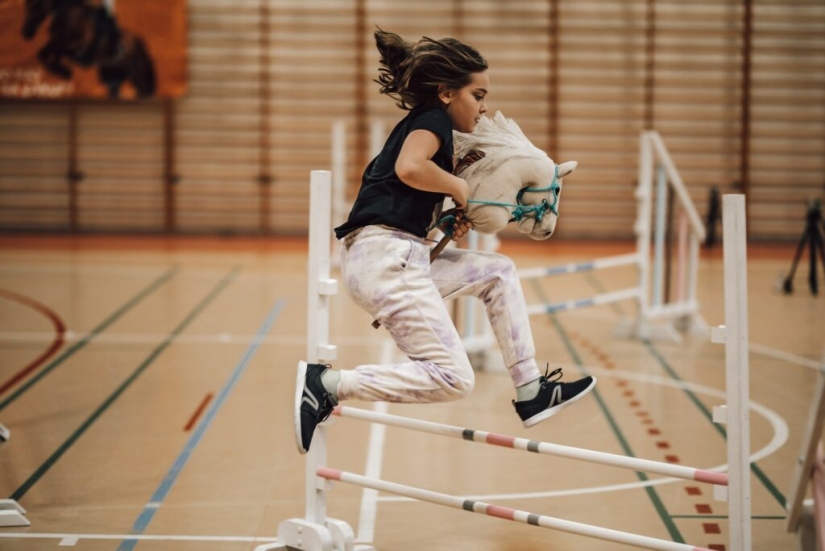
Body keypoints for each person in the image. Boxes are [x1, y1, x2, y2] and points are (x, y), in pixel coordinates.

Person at [294, 29, 595, 455]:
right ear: (447, 93)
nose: (484, 107)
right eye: (478, 95)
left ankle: (531, 390)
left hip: (395, 255)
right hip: (386, 259)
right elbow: (410, 168)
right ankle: (326, 385)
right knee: (454, 378)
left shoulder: (434, 127)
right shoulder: (432, 119)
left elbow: (407, 190)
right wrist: (458, 187)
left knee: (498, 271)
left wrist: (443, 220)